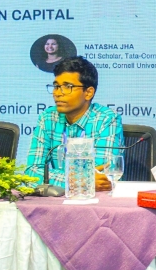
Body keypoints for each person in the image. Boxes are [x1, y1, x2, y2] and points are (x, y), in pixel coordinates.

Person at [27, 56, 123, 191]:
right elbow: (31, 172)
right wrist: (75, 180)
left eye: (67, 87)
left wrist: (55, 179)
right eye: (56, 86)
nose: (57, 93)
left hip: (95, 203)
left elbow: (103, 175)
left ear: (88, 93)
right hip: (58, 201)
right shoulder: (47, 118)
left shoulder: (106, 119)